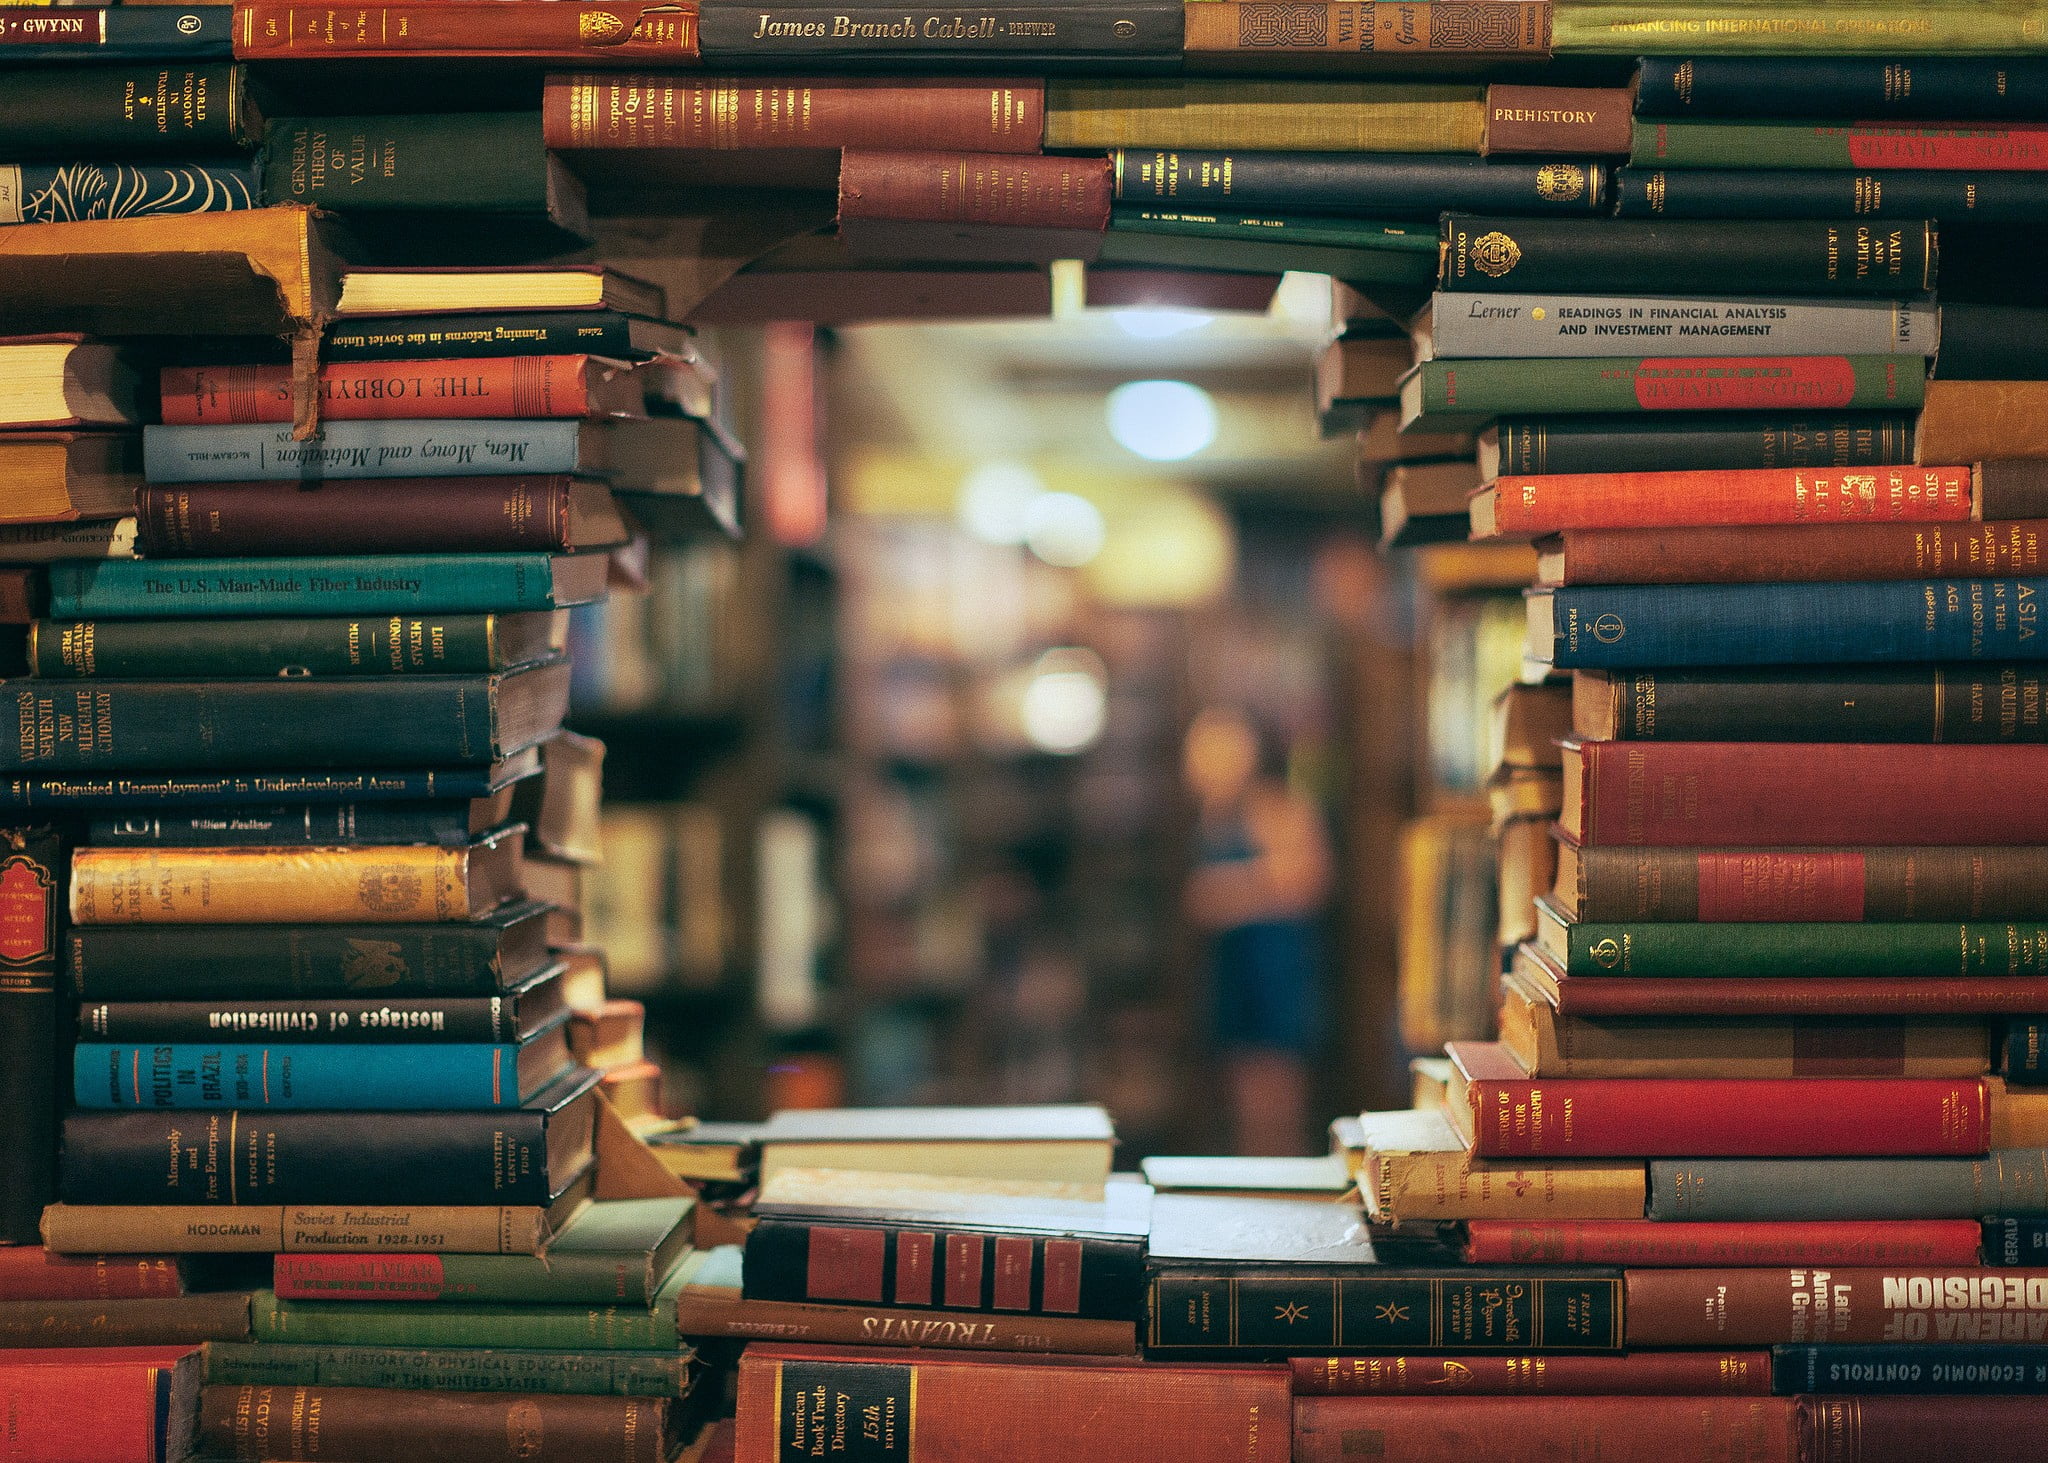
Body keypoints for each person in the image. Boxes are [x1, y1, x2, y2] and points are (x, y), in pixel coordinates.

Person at [1182, 705, 1333, 1156]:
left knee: (1279, 1108)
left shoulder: (1276, 807)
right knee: (1245, 1107)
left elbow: (1311, 880)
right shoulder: (1215, 814)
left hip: (1274, 971)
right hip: (1236, 972)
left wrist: (1225, 894)